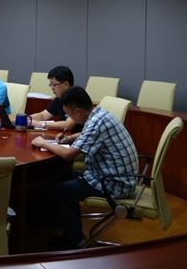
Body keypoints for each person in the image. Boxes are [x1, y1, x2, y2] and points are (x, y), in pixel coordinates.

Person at [32, 86, 138, 249]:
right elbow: (86, 134)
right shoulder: (100, 114)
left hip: (112, 183)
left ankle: (77, 243)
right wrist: (70, 138)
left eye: (68, 114)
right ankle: (72, 234)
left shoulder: (96, 123)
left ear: (78, 111)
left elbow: (69, 155)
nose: (68, 117)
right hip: (114, 176)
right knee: (62, 178)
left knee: (52, 192)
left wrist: (43, 143)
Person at [29, 65, 78, 132]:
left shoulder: (77, 98)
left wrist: (40, 124)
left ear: (66, 84)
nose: (52, 88)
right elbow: (42, 115)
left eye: (54, 85)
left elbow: (68, 125)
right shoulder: (59, 99)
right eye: (50, 85)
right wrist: (27, 119)